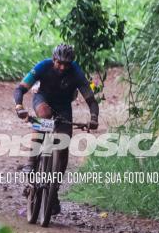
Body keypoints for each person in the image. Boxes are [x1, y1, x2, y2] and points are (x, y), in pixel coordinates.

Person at [13, 44, 99, 214]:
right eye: (59, 63)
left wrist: (94, 118)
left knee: (63, 145)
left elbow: (91, 99)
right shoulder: (43, 66)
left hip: (63, 106)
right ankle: (31, 161)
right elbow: (21, 88)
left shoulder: (76, 72)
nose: (62, 67)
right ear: (53, 59)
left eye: (67, 64)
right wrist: (19, 106)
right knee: (43, 115)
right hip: (43, 99)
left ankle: (54, 192)